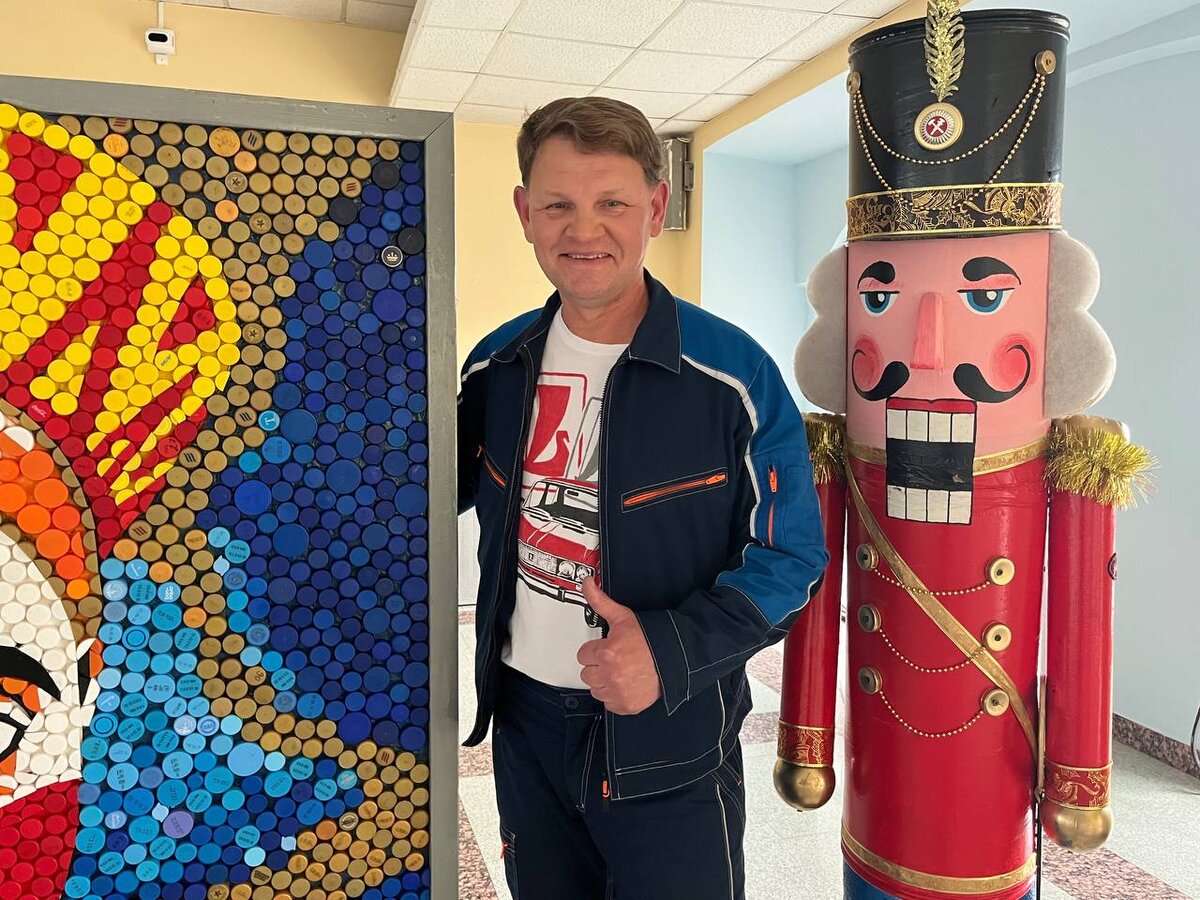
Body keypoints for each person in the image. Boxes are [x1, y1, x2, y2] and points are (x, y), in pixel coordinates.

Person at [457, 96, 829, 900]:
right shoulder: (494, 366)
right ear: (524, 213)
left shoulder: (735, 377)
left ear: (656, 209)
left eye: (612, 204)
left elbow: (792, 557)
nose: (583, 230)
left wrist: (670, 650)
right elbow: (416, 496)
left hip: (673, 735)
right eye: (558, 204)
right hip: (523, 725)